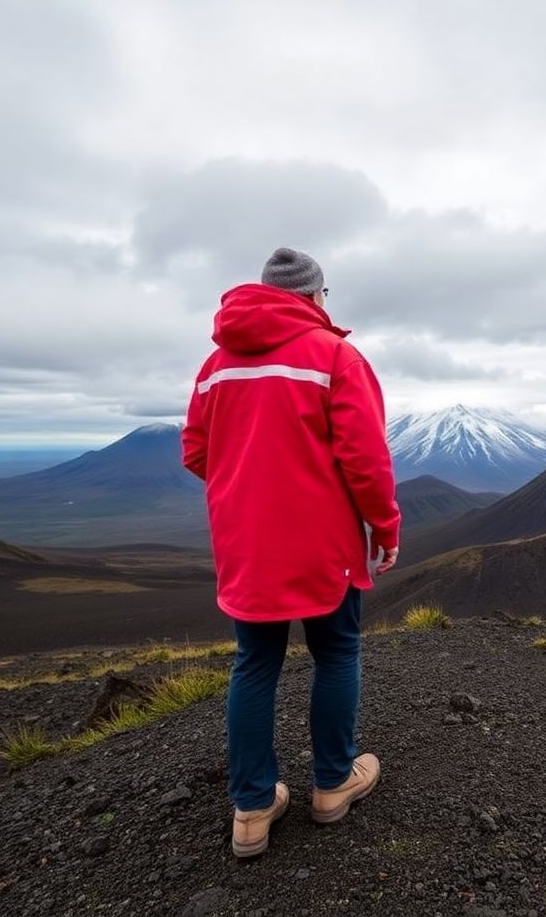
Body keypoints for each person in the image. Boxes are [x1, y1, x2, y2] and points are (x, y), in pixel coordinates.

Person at [181, 247, 401, 858]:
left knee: (254, 663)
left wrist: (249, 490)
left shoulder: (216, 365)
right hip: (325, 544)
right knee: (336, 652)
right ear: (314, 296)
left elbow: (195, 451)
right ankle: (332, 784)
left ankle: (252, 808)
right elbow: (365, 459)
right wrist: (384, 526)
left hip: (246, 545)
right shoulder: (335, 356)